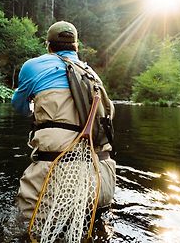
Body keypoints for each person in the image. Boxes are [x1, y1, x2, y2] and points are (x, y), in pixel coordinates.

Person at [11, 20, 116, 221]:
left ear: (48, 46)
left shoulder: (33, 66)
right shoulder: (92, 75)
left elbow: (19, 106)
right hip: (103, 177)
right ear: (76, 47)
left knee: (22, 228)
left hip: (56, 175)